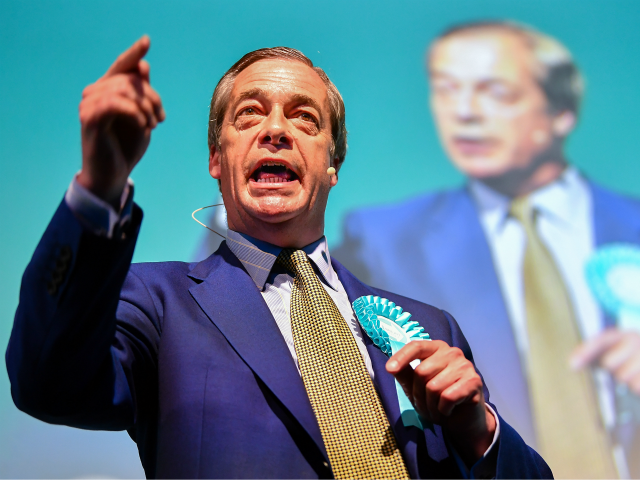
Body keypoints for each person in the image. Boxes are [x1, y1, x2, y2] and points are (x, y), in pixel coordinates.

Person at [5, 36, 552, 479]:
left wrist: (478, 433)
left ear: (332, 165)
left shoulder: (433, 328)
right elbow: (46, 381)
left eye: (304, 119)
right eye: (248, 116)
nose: (275, 130)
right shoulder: (156, 303)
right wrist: (100, 186)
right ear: (217, 160)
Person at [333, 21, 640, 479]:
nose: (465, 112)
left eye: (495, 91)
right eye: (446, 90)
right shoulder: (379, 240)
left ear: (562, 111)